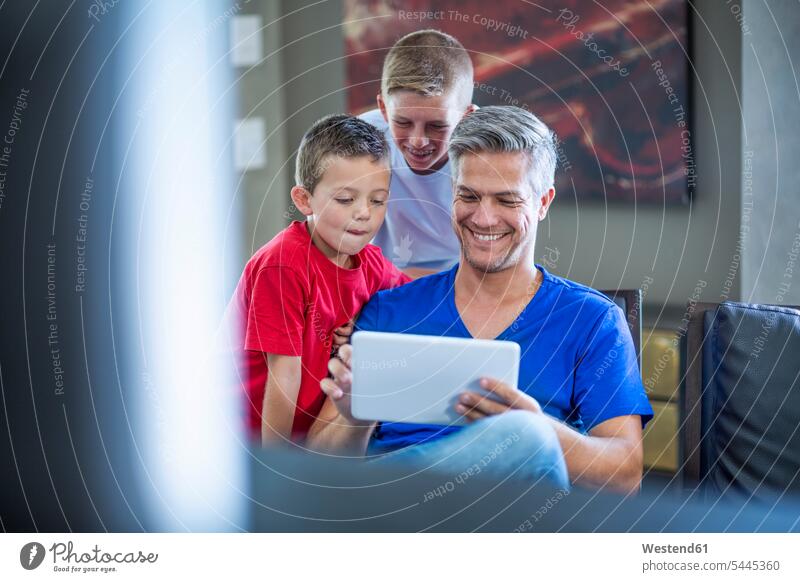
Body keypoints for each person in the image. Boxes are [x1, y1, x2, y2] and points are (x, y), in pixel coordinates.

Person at [309, 106, 654, 494]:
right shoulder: (390, 310)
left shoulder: (592, 321)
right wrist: (355, 420)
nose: (484, 218)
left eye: (507, 201)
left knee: (526, 437)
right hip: (391, 526)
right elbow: (313, 472)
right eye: (469, 196)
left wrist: (539, 430)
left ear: (542, 202)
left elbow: (626, 475)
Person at [220, 114, 410, 444]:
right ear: (304, 200)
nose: (364, 212)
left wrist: (367, 326)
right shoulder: (283, 265)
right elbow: (284, 376)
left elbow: (423, 301)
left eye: (377, 200)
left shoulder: (371, 265)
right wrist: (279, 473)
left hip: (309, 440)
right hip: (240, 442)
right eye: (345, 199)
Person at [360, 29, 476, 278]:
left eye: (436, 126)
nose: (418, 141)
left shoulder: (489, 154)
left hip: (463, 284)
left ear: (466, 118)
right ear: (383, 109)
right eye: (402, 122)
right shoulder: (358, 142)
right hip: (378, 284)